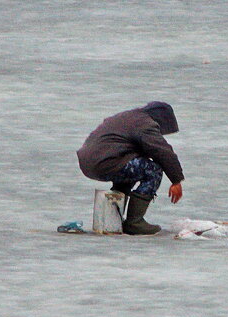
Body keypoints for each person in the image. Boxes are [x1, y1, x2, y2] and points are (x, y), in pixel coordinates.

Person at [77, 101, 185, 235]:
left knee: (130, 170)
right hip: (106, 162)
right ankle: (135, 222)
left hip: (91, 162)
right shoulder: (145, 124)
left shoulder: (128, 117)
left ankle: (111, 219)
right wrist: (176, 180)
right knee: (153, 170)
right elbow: (162, 151)